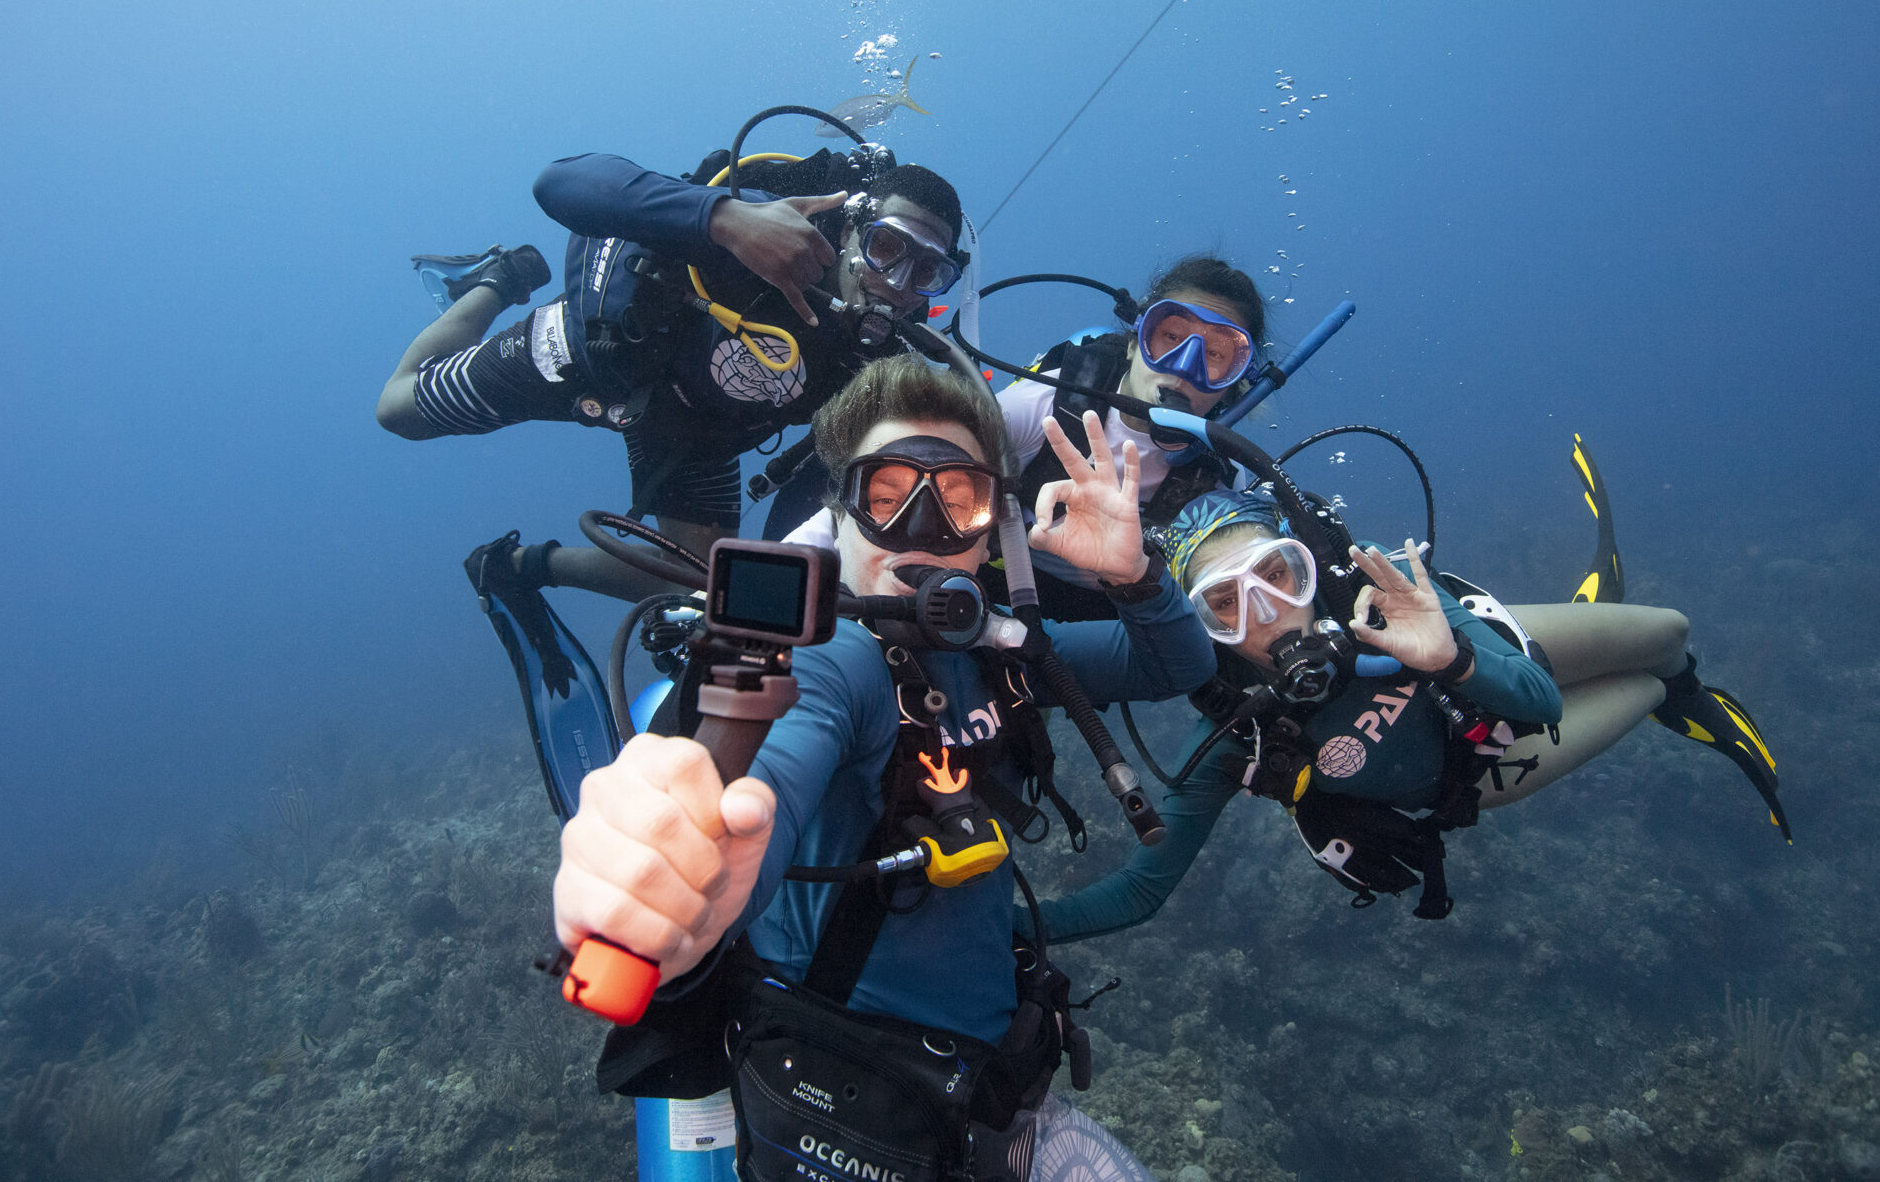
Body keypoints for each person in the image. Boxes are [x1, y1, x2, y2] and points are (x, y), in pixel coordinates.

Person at [550, 355, 1217, 1180]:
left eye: (960, 499)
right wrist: (698, 887)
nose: (922, 523)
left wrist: (1136, 575)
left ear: (992, 533)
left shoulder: (1003, 652)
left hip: (985, 1090)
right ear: (841, 515)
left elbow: (1175, 663)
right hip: (861, 1099)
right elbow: (771, 792)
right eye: (887, 493)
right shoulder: (837, 662)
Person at [1030, 481, 1787, 939]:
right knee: (1647, 688)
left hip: (1498, 661)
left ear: (1306, 566)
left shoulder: (1384, 594)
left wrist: (1448, 652)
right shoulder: (1237, 739)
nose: (1264, 614)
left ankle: (1665, 668)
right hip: (1485, 771)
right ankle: (1676, 698)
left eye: (1276, 574)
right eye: (1222, 605)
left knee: (1671, 635)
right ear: (1197, 632)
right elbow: (1140, 888)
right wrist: (1004, 932)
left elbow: (1538, 693)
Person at [376, 146, 969, 600]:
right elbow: (558, 183)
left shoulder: (878, 365)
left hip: (693, 434)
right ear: (848, 231)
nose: (896, 284)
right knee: (398, 411)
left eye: (926, 272)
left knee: (708, 589)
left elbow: (812, 502)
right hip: (594, 356)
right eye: (887, 247)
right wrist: (723, 218)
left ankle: (523, 566)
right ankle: (497, 281)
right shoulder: (759, 234)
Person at [778, 256, 1267, 620]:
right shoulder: (1045, 406)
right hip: (993, 580)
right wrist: (782, 577)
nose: (1185, 368)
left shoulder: (1222, 481)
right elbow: (891, 490)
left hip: (1105, 612)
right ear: (1139, 335)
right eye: (1171, 338)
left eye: (1218, 355)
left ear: (1237, 379)